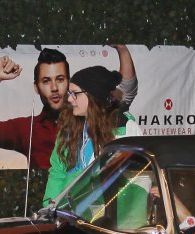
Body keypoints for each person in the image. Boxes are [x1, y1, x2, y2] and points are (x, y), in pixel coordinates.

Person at [0, 44, 138, 169]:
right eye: (46, 81)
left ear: (70, 83)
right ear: (36, 87)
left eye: (60, 79)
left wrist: (121, 48)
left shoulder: (89, 112)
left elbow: (125, 92)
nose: (54, 88)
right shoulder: (29, 129)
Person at [43, 65, 133, 203]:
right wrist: (49, 206)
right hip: (67, 210)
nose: (70, 99)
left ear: (93, 95)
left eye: (75, 93)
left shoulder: (123, 128)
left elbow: (133, 180)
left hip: (108, 212)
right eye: (69, 93)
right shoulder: (69, 128)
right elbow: (57, 172)